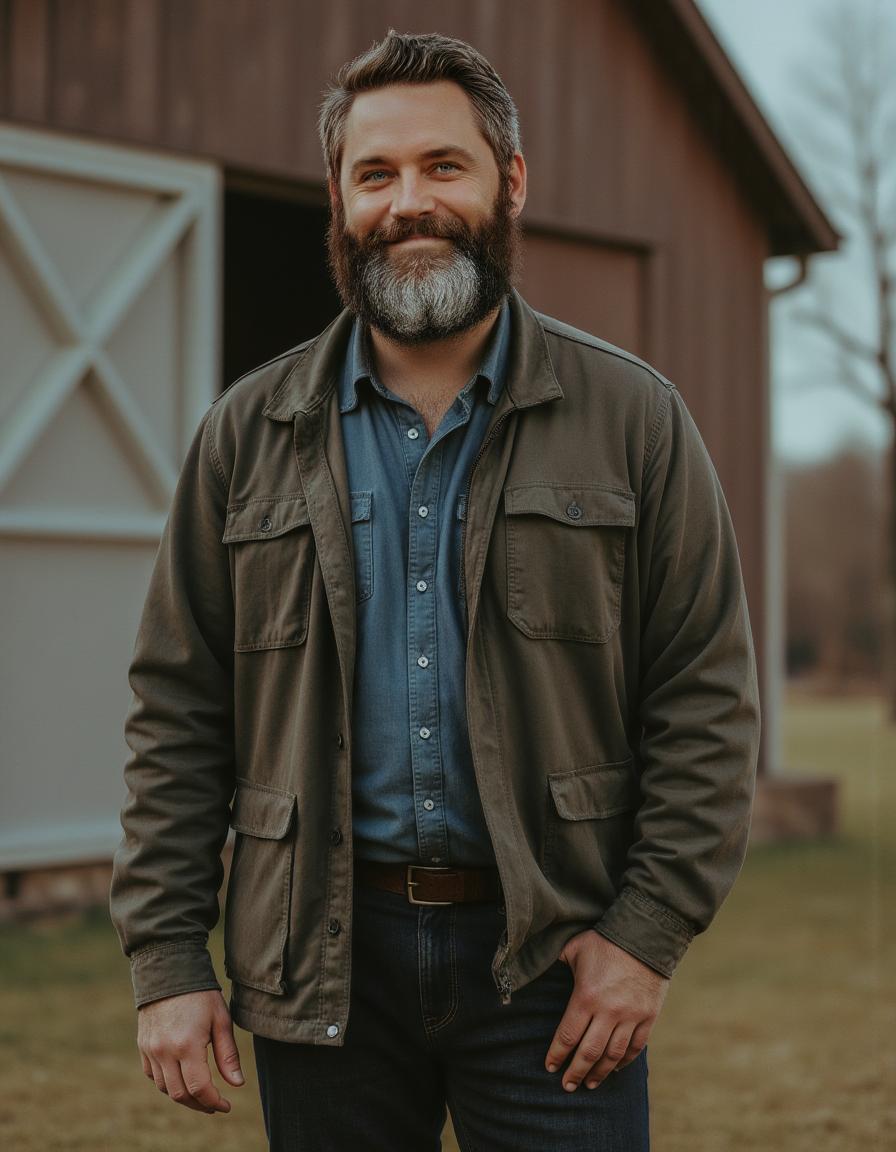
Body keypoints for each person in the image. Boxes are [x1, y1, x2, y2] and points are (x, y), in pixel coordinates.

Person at [110, 29, 761, 1152]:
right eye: (376, 174)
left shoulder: (633, 419)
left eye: (441, 166)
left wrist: (643, 937)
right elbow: (177, 712)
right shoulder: (244, 437)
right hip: (321, 968)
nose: (407, 201)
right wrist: (167, 960)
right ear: (340, 198)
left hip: (553, 967)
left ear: (510, 182)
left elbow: (702, 700)